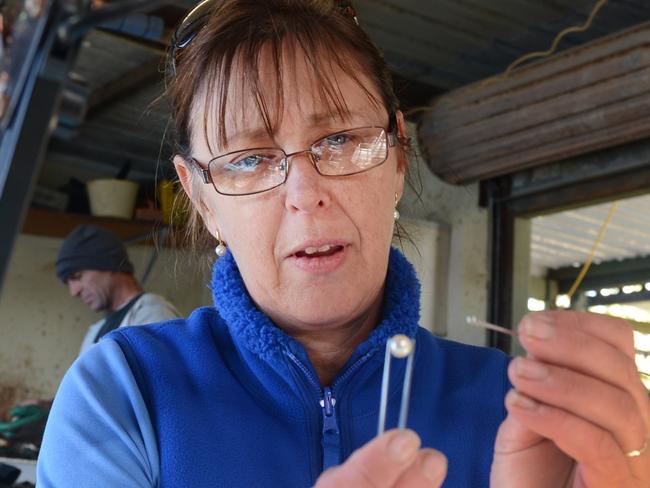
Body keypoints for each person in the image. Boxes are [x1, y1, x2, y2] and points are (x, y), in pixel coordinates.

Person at [37, 1, 649, 487]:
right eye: (249, 158)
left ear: (398, 157)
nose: (306, 193)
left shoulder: (521, 409)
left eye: (339, 140)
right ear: (201, 198)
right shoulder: (125, 395)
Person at [55, 224, 181, 354]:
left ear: (107, 263)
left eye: (77, 276)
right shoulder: (94, 333)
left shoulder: (154, 314)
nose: (74, 292)